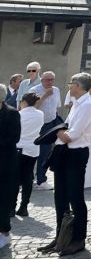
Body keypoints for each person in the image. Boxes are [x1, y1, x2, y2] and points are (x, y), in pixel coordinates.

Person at [44, 73, 91, 256]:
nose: (69, 86)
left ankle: (77, 239)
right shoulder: (77, 103)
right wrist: (61, 131)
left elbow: (71, 134)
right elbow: (66, 128)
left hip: (76, 154)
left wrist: (58, 131)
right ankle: (61, 236)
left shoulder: (88, 104)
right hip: (65, 152)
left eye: (71, 83)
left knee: (75, 197)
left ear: (78, 85)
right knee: (60, 196)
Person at [12, 92, 42, 217]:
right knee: (28, 178)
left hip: (19, 148)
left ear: (23, 102)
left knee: (14, 179)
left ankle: (11, 207)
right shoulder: (40, 114)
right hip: (33, 149)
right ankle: (24, 206)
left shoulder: (18, 114)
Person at [32, 71, 61, 190]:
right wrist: (45, 96)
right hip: (38, 125)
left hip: (51, 123)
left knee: (46, 152)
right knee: (35, 152)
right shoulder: (34, 90)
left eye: (52, 79)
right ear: (42, 80)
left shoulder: (56, 90)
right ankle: (35, 179)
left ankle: (41, 179)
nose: (50, 82)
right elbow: (33, 107)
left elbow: (56, 106)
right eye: (47, 80)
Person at [0, 84, 20, 250]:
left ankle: (5, 233)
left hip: (5, 163)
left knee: (3, 199)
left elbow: (14, 138)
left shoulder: (12, 113)